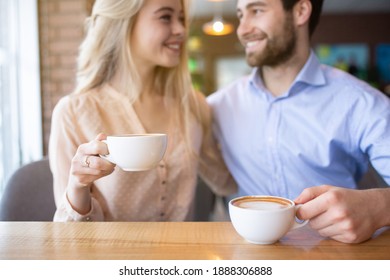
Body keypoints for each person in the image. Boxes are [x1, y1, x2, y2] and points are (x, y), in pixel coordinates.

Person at [207, 0, 390, 243]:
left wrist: (380, 206)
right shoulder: (217, 106)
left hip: (333, 258)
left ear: (300, 11)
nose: (242, 29)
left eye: (257, 11)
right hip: (250, 259)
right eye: (241, 15)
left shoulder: (362, 103)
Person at [49, 0, 236, 222]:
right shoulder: (73, 112)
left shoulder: (193, 106)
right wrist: (78, 185)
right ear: (123, 22)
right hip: (112, 255)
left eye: (182, 19)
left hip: (182, 254)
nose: (181, 30)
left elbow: (226, 182)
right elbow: (69, 235)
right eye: (165, 17)